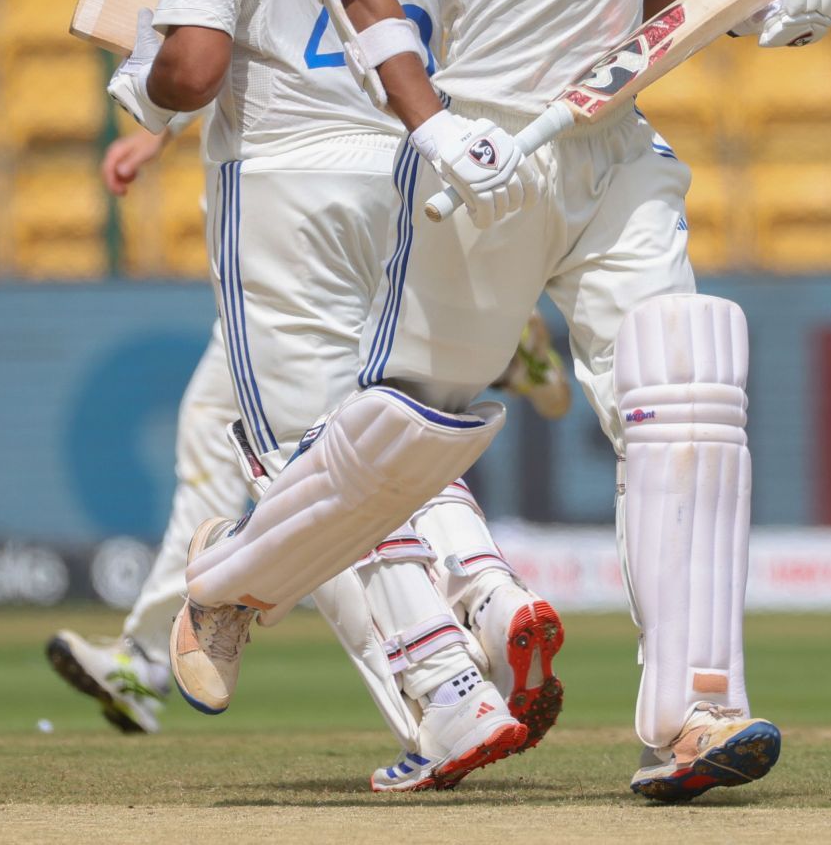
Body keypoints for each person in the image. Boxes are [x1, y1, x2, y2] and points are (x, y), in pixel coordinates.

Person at [171, 0, 831, 804]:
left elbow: (655, 10)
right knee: (402, 443)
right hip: (483, 159)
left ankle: (695, 711)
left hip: (613, 156)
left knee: (686, 377)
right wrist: (434, 128)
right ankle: (235, 582)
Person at [104, 0, 568, 791]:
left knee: (308, 461)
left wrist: (142, 82)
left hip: (283, 187)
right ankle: (492, 596)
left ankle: (451, 695)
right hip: (411, 165)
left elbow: (199, 66)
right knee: (390, 433)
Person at [44, 128, 570, 736]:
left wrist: (157, 121)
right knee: (332, 428)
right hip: (377, 189)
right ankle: (487, 604)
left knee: (330, 453)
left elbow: (204, 53)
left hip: (290, 215)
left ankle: (444, 685)